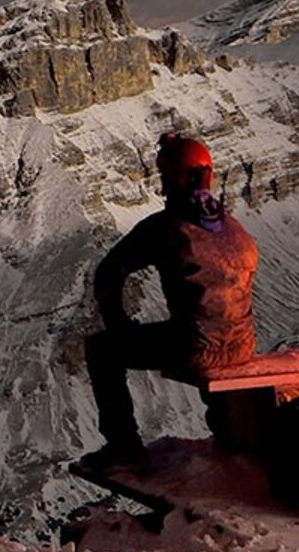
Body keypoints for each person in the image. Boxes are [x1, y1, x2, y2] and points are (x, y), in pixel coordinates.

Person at [79, 132, 258, 470]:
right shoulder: (236, 229)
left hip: (194, 347)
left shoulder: (167, 229)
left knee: (103, 350)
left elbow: (109, 273)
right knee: (207, 331)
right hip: (243, 344)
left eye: (164, 177)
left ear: (174, 178)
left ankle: (123, 447)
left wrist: (118, 323)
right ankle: (228, 435)